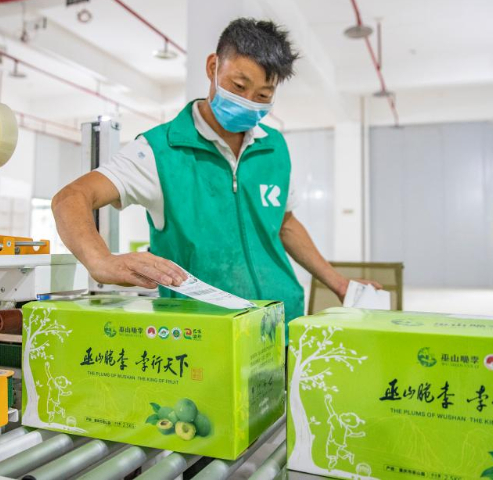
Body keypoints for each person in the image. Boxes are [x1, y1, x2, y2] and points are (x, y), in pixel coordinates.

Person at [52, 18, 380, 338]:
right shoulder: (160, 151)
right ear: (213, 67)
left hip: (279, 323)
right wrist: (100, 260)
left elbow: (285, 224)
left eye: (263, 96)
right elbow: (71, 199)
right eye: (239, 86)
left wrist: (338, 282)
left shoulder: (274, 147)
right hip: (203, 334)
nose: (249, 102)